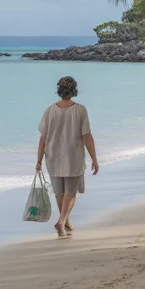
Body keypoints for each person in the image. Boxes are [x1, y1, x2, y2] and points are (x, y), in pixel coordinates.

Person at [35, 76, 99, 238]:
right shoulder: (80, 110)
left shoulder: (50, 110)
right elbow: (87, 136)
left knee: (60, 193)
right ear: (74, 90)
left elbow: (43, 137)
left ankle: (66, 222)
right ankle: (62, 221)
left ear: (59, 90)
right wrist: (94, 159)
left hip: (53, 156)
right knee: (70, 192)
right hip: (73, 156)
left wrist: (39, 159)